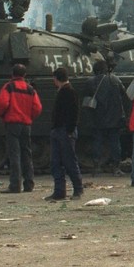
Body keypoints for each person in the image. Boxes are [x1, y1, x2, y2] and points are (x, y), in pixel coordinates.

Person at [0, 63, 42, 194]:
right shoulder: (30, 89)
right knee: (27, 154)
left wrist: (3, 115)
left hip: (12, 123)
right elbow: (37, 107)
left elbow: (2, 103)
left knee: (15, 155)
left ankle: (15, 185)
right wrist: (29, 117)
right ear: (24, 75)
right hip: (26, 124)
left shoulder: (9, 87)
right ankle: (29, 184)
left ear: (12, 74)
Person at [45, 68, 83, 201]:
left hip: (65, 130)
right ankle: (59, 191)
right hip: (59, 130)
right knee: (56, 162)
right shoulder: (64, 91)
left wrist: (69, 130)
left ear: (56, 78)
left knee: (69, 161)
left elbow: (74, 113)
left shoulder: (69, 92)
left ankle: (78, 189)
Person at [83, 60, 127, 175]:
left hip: (97, 117)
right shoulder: (115, 80)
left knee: (97, 142)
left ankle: (96, 166)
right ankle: (116, 166)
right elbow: (123, 94)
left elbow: (87, 99)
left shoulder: (90, 82)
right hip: (114, 118)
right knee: (115, 143)